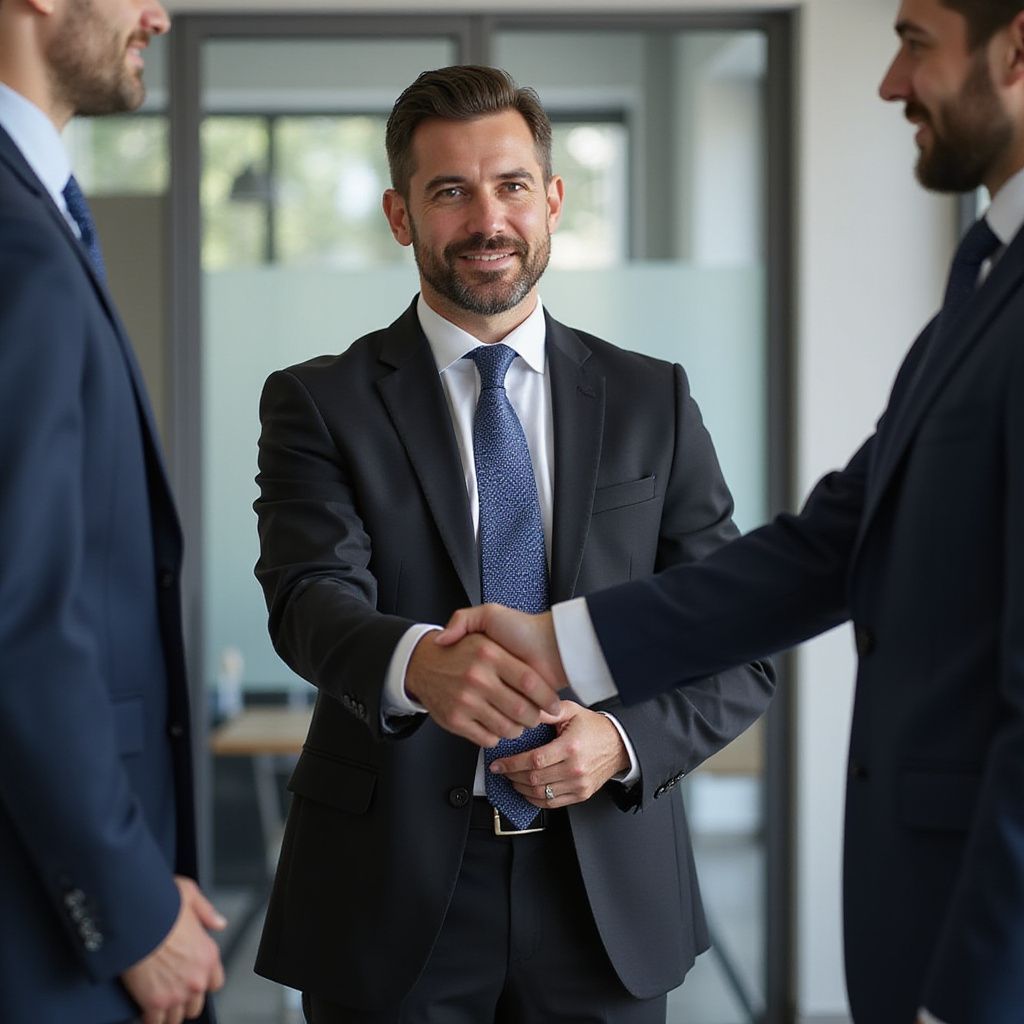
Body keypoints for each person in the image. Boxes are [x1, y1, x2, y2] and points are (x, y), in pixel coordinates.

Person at [440, 2, 1024, 1022]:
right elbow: (828, 544)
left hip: (979, 949)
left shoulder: (646, 395)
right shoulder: (983, 279)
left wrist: (975, 987)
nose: (891, 84)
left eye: (915, 44)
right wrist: (559, 639)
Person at [251, 65, 774, 1024]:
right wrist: (417, 667)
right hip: (388, 893)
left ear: (554, 201)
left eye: (512, 185)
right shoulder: (317, 401)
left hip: (604, 890)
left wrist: (620, 742)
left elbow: (734, 634)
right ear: (401, 216)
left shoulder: (650, 398)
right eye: (449, 191)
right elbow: (308, 595)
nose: (487, 218)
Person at [0, 1, 226, 1021]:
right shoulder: (17, 247)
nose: (160, 17)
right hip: (44, 921)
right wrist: (129, 907)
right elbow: (18, 618)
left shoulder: (41, 215)